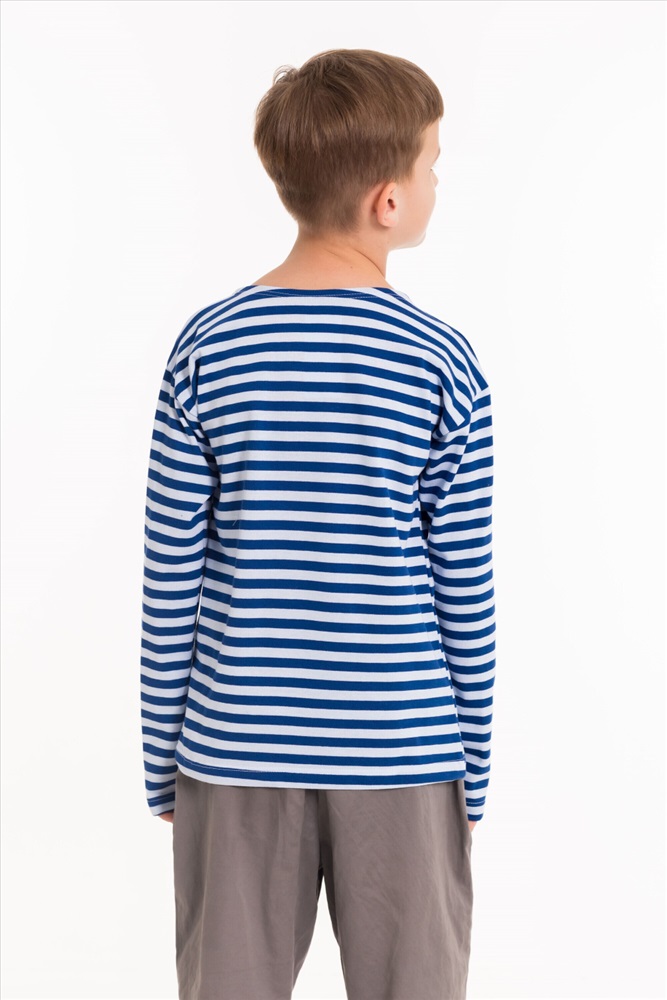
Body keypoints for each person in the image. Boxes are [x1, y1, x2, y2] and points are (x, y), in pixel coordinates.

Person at [140, 47, 496, 1000]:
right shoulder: (441, 362)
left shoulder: (207, 347)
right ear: (388, 199)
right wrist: (472, 765)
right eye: (431, 164)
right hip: (405, 749)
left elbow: (170, 575)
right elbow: (462, 587)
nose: (436, 183)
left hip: (233, 750)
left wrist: (161, 759)